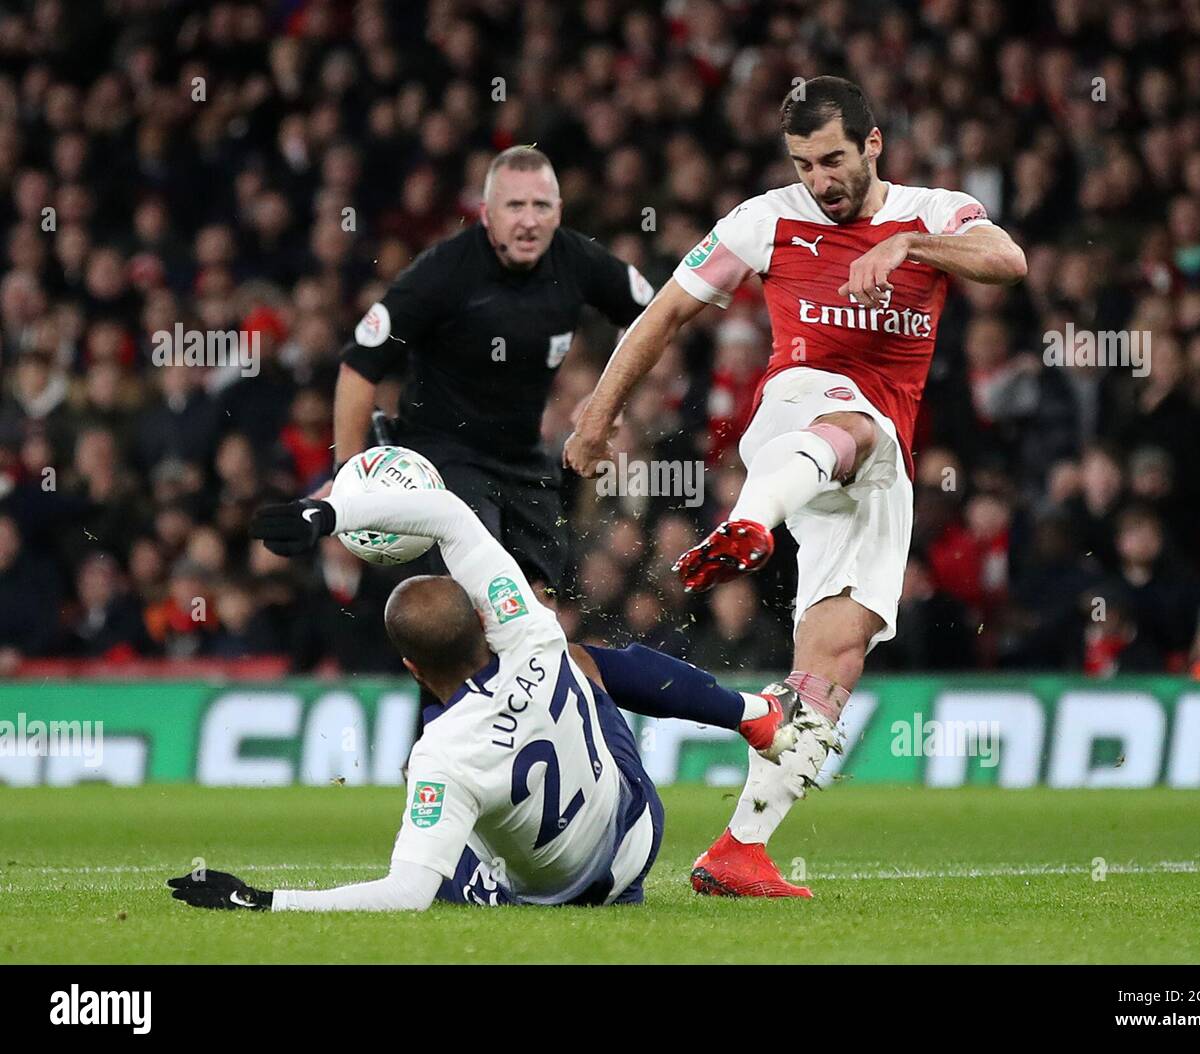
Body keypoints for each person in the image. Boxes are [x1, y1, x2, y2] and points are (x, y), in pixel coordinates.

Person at [564, 76, 1026, 897]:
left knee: (833, 661)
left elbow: (1008, 260)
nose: (820, 180)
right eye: (805, 164)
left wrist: (909, 247)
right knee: (849, 424)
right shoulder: (764, 219)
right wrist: (598, 414)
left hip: (882, 466)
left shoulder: (935, 210)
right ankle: (750, 521)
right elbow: (665, 312)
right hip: (797, 415)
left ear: (873, 143)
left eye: (834, 160)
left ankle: (740, 848)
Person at [166, 487, 809, 912]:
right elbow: (445, 512)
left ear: (410, 666)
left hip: (577, 897)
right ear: (483, 620)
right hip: (640, 827)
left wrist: (265, 900)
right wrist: (329, 513)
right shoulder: (530, 631)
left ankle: (490, 869)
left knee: (443, 832)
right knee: (582, 663)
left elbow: (406, 894)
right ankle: (749, 713)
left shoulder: (440, 754)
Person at [330, 145, 654, 597]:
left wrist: (610, 399)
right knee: (477, 589)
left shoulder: (576, 260)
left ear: (558, 212)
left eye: (541, 206)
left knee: (540, 601)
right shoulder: (442, 272)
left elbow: (653, 316)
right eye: (514, 205)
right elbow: (359, 366)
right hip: (443, 454)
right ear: (486, 213)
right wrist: (346, 475)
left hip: (522, 456)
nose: (529, 220)